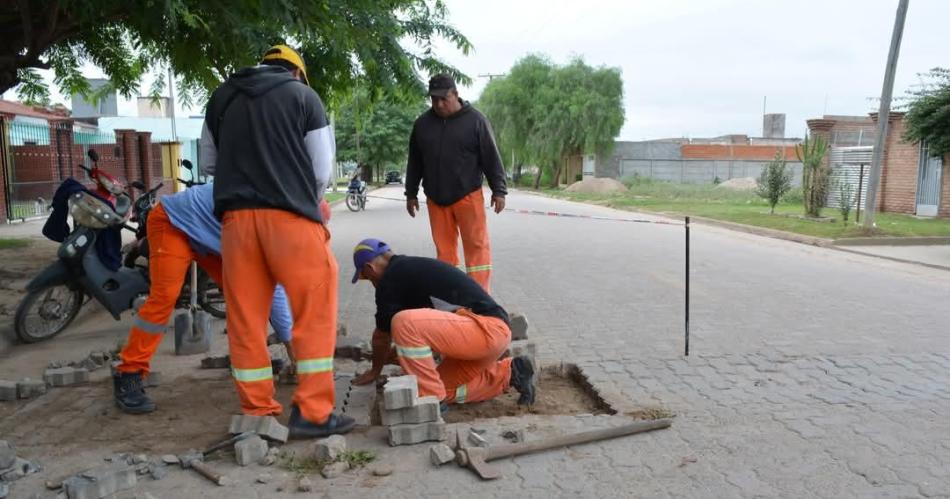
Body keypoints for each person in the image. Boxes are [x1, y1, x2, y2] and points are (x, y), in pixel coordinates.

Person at [203, 44, 352, 438]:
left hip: (236, 223)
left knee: (246, 319)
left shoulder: (221, 97)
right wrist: (301, 194)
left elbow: (209, 164)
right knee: (314, 311)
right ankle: (313, 414)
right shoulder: (304, 97)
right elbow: (321, 169)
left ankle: (258, 413)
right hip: (291, 221)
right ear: (297, 73)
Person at [112, 183, 303, 414]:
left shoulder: (281, 215)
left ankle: (252, 364)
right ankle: (129, 372)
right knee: (164, 298)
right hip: (173, 222)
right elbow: (276, 293)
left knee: (247, 297)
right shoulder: (266, 221)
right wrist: (294, 351)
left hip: (211, 234)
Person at [350, 238, 535, 407]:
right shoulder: (408, 270)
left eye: (366, 277)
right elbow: (430, 329)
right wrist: (397, 354)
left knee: (403, 323)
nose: (372, 282)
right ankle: (510, 373)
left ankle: (430, 399)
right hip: (486, 336)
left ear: (369, 268)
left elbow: (382, 335)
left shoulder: (390, 279)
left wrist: (375, 370)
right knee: (442, 387)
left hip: (485, 330)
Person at [404, 74, 508, 292]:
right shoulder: (422, 124)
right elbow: (415, 161)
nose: (439, 104)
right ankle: (449, 297)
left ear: (456, 95)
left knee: (477, 249)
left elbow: (491, 157)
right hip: (436, 199)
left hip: (468, 196)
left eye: (444, 98)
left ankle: (480, 298)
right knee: (444, 253)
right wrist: (410, 193)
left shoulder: (476, 121)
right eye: (434, 99)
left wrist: (499, 190)